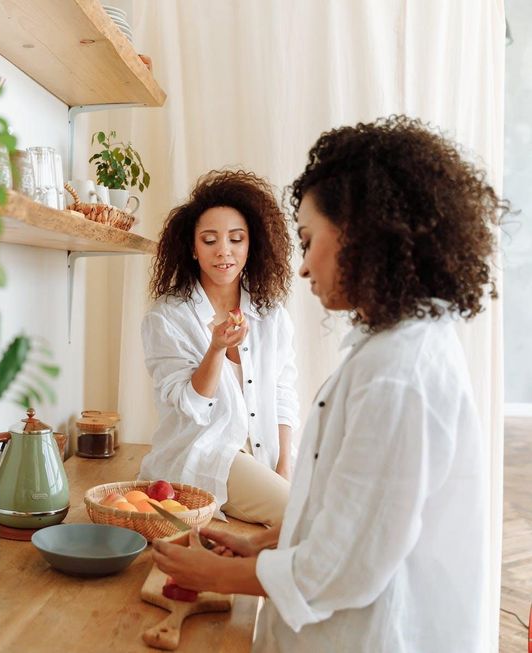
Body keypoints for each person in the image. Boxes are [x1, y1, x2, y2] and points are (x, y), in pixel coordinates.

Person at [151, 116, 505, 652]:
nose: (302, 266)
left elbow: (345, 567)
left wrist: (214, 574)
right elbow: (359, 518)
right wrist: (271, 544)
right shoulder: (390, 350)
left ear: (363, 237)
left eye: (309, 239)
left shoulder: (397, 374)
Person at [140, 170, 298, 527]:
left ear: (251, 245)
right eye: (209, 240)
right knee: (301, 518)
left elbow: (284, 395)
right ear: (192, 249)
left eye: (236, 239)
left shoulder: (272, 315)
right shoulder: (166, 318)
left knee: (334, 509)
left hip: (267, 453)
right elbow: (191, 406)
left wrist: (285, 463)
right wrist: (215, 349)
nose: (223, 251)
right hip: (208, 453)